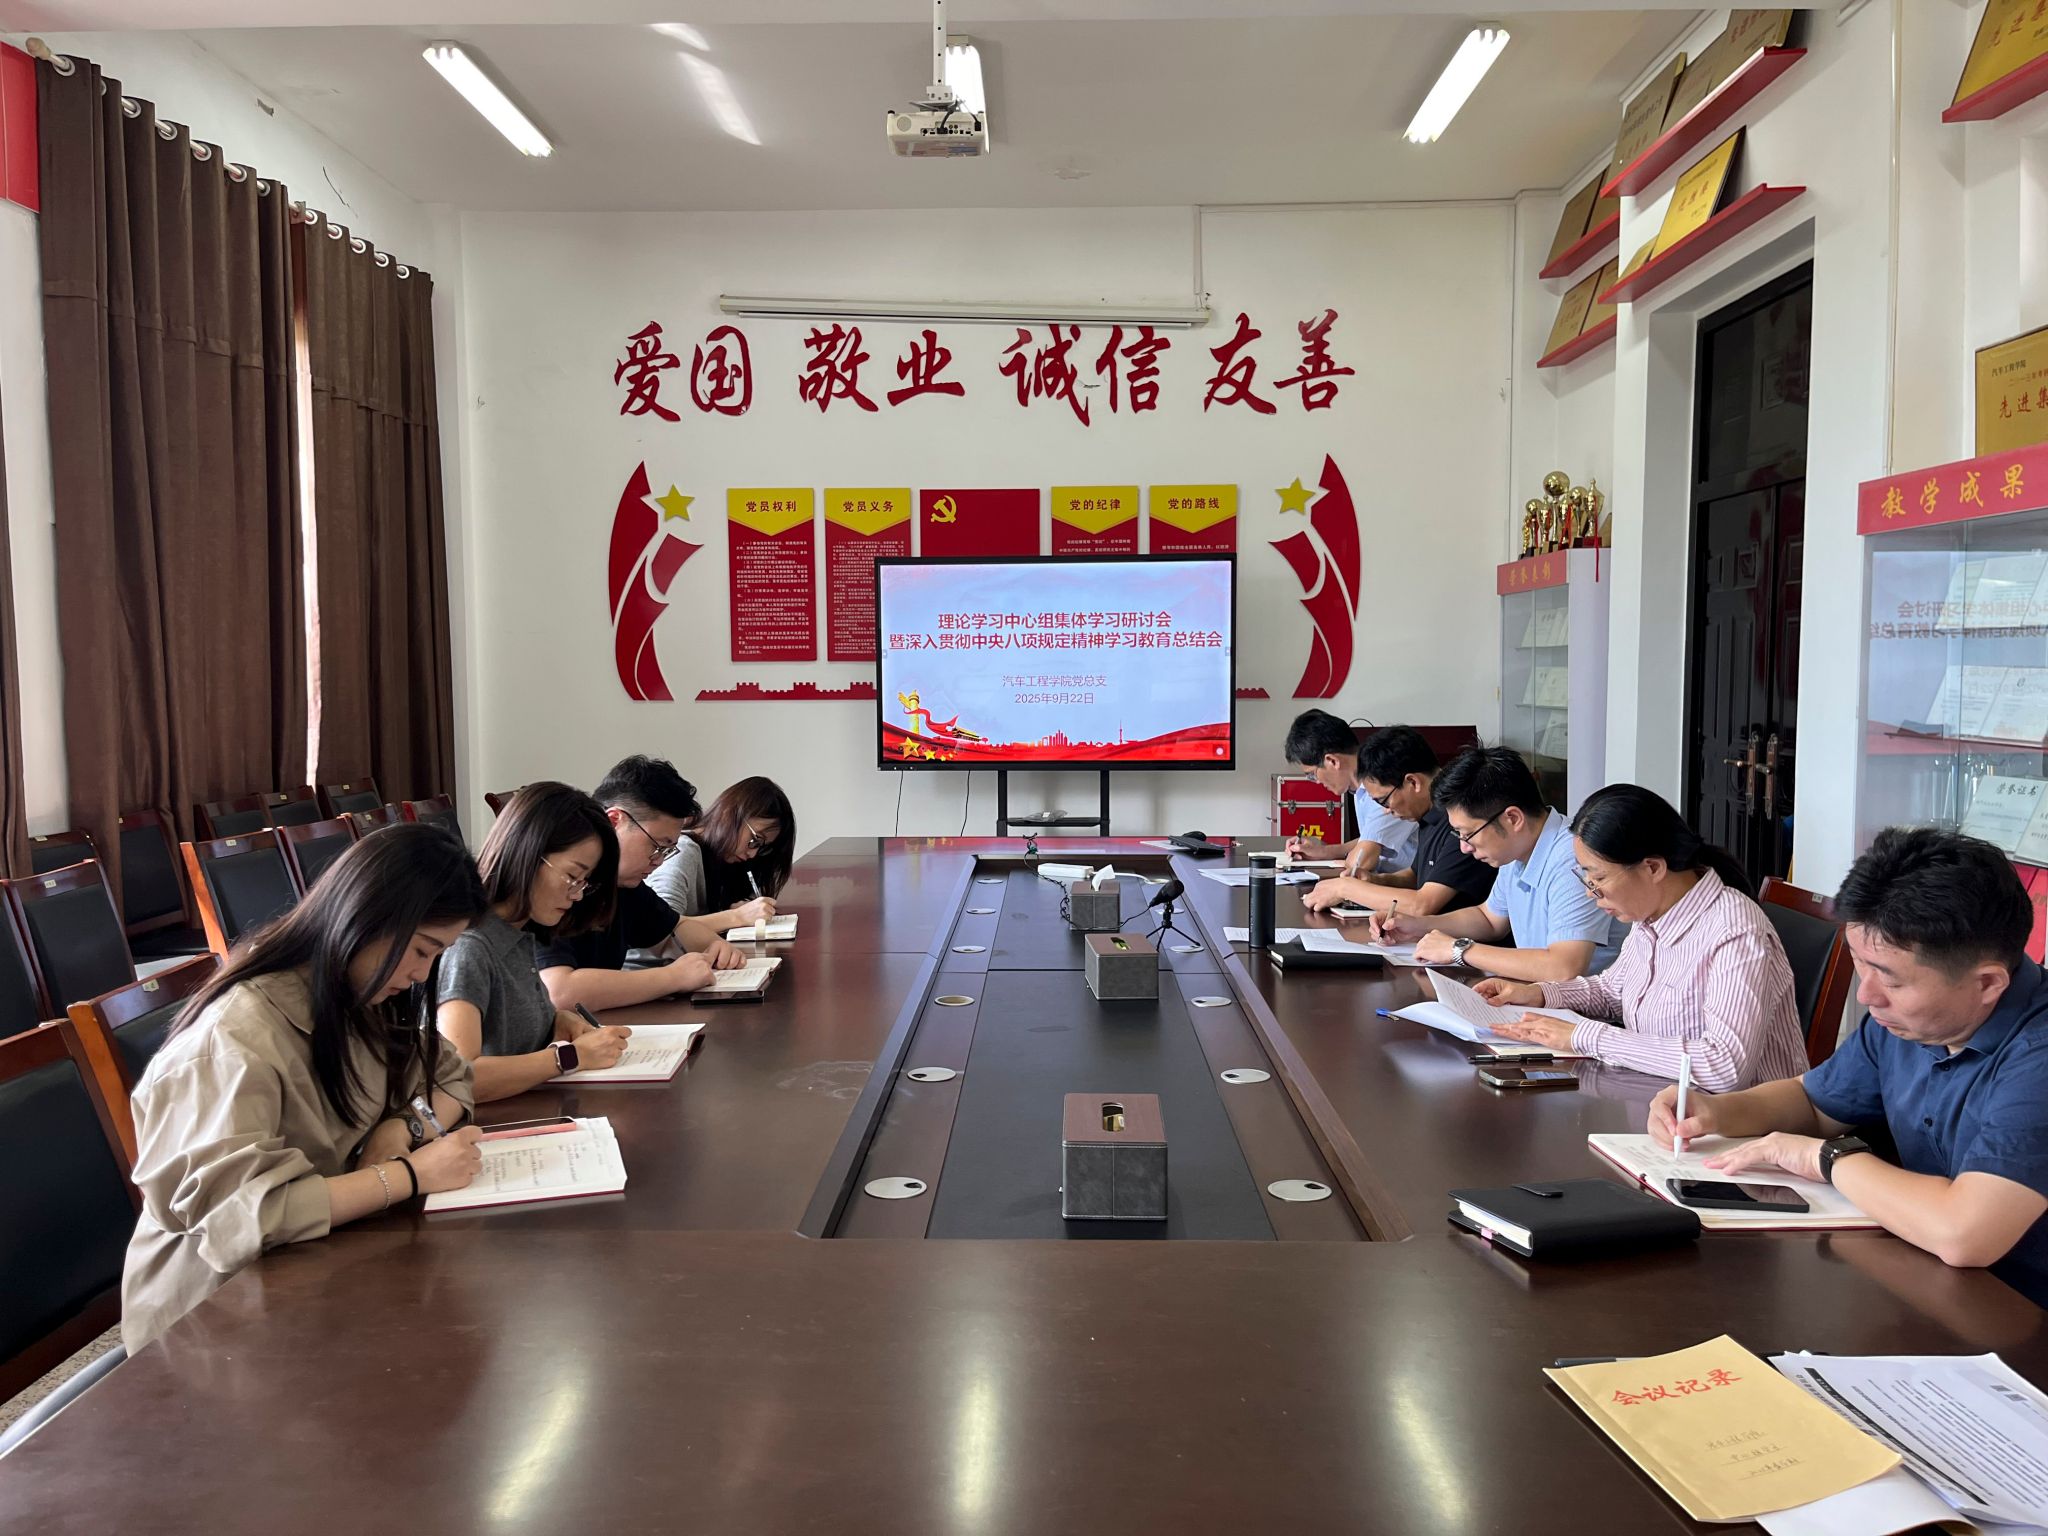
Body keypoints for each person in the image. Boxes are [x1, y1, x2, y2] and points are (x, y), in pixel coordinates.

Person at [122, 824, 489, 1351]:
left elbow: (451, 1073)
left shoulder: (358, 995)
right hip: (212, 1321)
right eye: (422, 950)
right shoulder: (233, 1040)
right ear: (369, 916)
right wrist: (408, 1175)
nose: (420, 974)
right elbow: (245, 1217)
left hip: (313, 1268)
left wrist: (401, 1129)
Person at [1651, 828, 2048, 1303]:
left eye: (1892, 981)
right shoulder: (1910, 1022)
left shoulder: (2036, 1056)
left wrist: (1827, 1158)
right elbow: (1814, 1102)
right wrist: (1716, 1111)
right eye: (1861, 963)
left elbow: (1965, 1234)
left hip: (2019, 1312)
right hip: (1925, 1280)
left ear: (1986, 983)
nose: (1867, 995)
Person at [1477, 783, 1803, 1089]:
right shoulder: (1651, 915)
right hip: (1659, 1101)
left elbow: (1724, 1065)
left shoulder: (1735, 930)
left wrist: (1584, 1036)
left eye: (1598, 878)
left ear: (1653, 868)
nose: (1591, 893)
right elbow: (1612, 991)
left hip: (1739, 1122)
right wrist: (1538, 994)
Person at [435, 782, 638, 1102]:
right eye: (572, 876)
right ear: (528, 853)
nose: (577, 895)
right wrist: (569, 1057)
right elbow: (458, 1078)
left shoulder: (520, 931)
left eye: (584, 882)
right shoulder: (469, 947)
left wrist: (554, 1019)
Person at [1376, 746, 1620, 981]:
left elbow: (1563, 968)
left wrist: (1458, 949)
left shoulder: (1572, 859)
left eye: (1468, 834)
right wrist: (1417, 925)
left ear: (1512, 818)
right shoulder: (1518, 849)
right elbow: (1489, 919)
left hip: (1589, 1006)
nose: (1464, 847)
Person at [536, 754, 743, 1010]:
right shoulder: (558, 883)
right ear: (614, 821)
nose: (659, 861)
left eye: (667, 850)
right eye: (657, 846)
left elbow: (674, 928)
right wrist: (672, 977)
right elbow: (559, 992)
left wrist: (716, 947)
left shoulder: (624, 885)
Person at [1299, 725, 1491, 917]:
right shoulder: (1427, 814)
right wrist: (1376, 880)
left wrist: (1345, 889)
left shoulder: (1461, 820)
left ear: (1413, 782)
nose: (1386, 811)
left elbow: (1422, 904)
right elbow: (1415, 876)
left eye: (1384, 801)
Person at [1279, 708, 1415, 877]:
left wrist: (1349, 860)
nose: (1317, 782)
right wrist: (1323, 852)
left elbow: (1361, 862)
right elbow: (1372, 836)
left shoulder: (1384, 785)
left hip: (1407, 887)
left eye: (1312, 774)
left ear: (1332, 761)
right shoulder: (1359, 789)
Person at [650, 776, 796, 932]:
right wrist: (736, 917)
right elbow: (658, 927)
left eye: (763, 848)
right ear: (729, 814)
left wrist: (733, 912)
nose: (753, 854)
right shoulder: (684, 852)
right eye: (755, 840)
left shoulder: (729, 862)